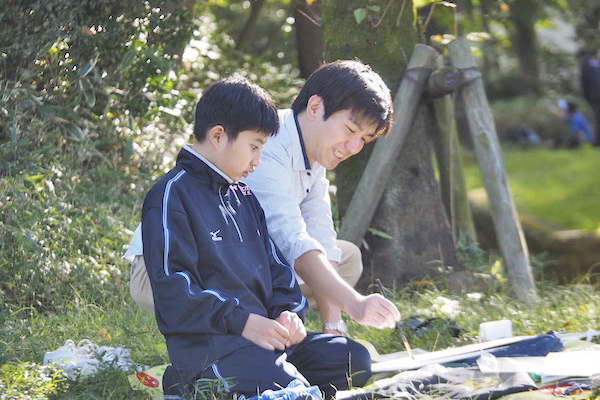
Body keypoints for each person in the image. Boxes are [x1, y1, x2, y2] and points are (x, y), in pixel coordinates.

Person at [124, 60, 401, 336]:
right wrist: (355, 304)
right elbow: (293, 242)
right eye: (351, 131)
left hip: (238, 259)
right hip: (168, 272)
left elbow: (320, 238)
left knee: (346, 257)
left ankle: (274, 323)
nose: (354, 147)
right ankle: (245, 326)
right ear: (315, 108)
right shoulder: (267, 144)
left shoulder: (315, 156)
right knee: (300, 263)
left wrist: (334, 327)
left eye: (364, 139)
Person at [140, 77, 371, 398]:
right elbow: (173, 293)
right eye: (254, 146)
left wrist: (288, 313)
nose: (257, 160)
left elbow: (277, 270)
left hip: (266, 338)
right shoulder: (171, 194)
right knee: (290, 389)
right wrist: (243, 322)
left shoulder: (244, 196)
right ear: (218, 136)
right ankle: (188, 379)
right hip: (217, 345)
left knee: (354, 360)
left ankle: (272, 374)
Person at [577, 50, 600, 146]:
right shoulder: (596, 63)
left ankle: (597, 143)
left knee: (598, 118)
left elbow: (584, 84)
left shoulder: (585, 65)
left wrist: (587, 99)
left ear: (580, 57)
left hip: (595, 95)